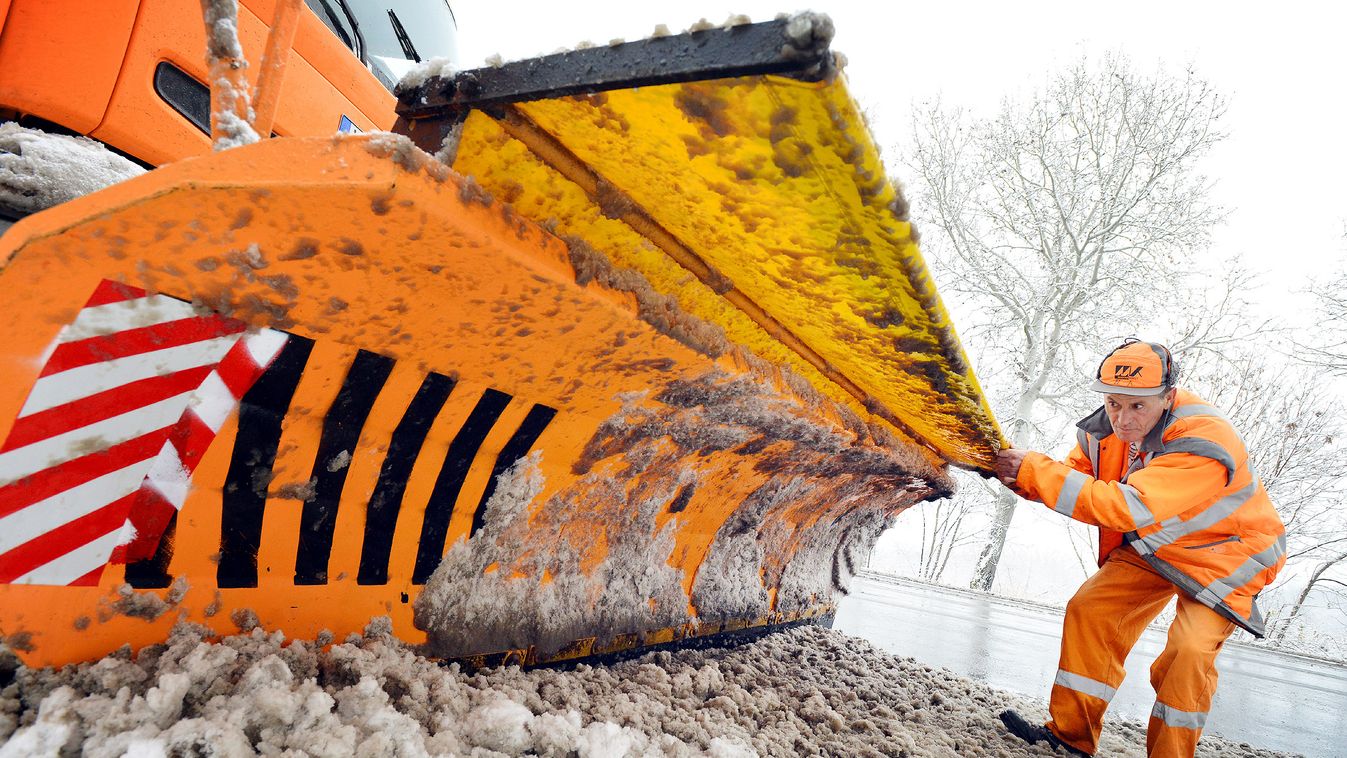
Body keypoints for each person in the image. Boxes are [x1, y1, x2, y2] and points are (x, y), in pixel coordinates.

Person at [992, 339, 1286, 757]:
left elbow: (1127, 506)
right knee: (1090, 610)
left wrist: (1034, 470)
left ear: (1168, 397)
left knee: (1186, 655)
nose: (1122, 419)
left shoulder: (1205, 440)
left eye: (1137, 407)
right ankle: (1071, 738)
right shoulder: (1101, 433)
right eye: (1113, 403)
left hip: (1225, 557)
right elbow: (1074, 480)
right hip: (1155, 546)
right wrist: (1019, 476)